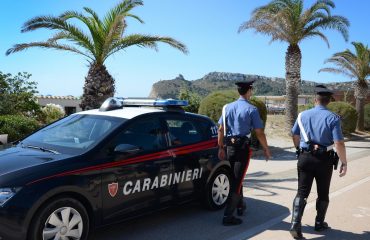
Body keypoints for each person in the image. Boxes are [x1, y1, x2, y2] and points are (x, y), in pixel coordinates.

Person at [289, 85, 348, 239]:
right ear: (328, 101)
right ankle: (319, 223)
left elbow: (294, 135)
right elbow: (339, 143)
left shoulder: (302, 115)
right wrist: (344, 162)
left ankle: (295, 224)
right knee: (323, 192)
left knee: (302, 192)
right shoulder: (333, 118)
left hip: (305, 157)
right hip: (324, 160)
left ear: (315, 99)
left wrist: (298, 149)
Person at [218, 80, 271, 226]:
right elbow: (259, 132)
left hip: (229, 147)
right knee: (238, 180)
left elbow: (221, 130)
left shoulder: (227, 108)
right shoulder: (251, 109)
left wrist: (220, 147)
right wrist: (266, 148)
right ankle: (228, 216)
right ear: (249, 91)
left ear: (238, 91)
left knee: (236, 177)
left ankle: (240, 205)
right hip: (242, 148)